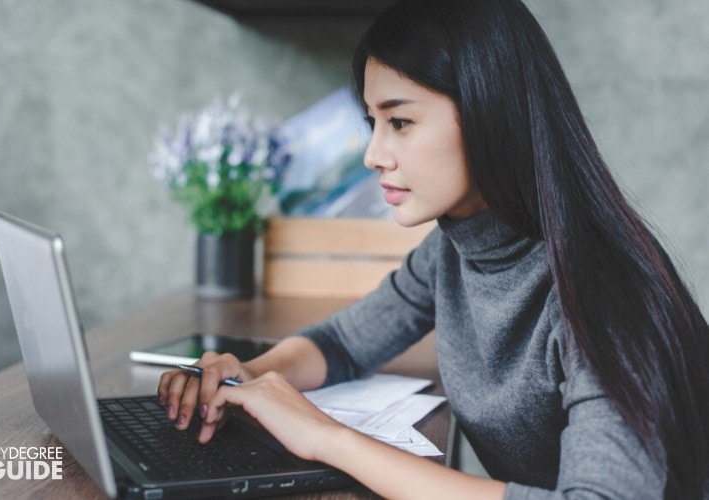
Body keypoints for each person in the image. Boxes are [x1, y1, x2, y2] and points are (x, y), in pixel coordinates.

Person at [158, 0, 709, 497]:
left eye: (399, 121)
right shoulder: (451, 249)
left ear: (491, 111)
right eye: (374, 123)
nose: (374, 154)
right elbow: (344, 343)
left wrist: (325, 437)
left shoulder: (603, 292)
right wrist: (249, 377)